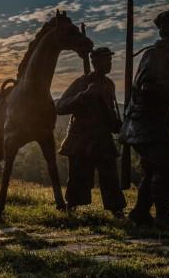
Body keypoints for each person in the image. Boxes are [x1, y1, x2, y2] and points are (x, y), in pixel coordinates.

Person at [121, 9, 169, 228]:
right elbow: (147, 87)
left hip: (157, 118)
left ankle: (140, 213)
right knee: (163, 165)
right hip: (146, 121)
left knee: (153, 168)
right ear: (168, 29)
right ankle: (162, 217)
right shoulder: (155, 53)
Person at [56, 47, 126, 218]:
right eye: (105, 60)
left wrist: (117, 124)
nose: (108, 64)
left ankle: (116, 208)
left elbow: (111, 109)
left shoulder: (109, 84)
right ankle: (71, 207)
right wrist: (83, 95)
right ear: (95, 62)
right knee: (78, 174)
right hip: (82, 137)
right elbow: (60, 107)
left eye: (110, 60)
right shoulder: (81, 83)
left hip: (102, 136)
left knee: (110, 175)